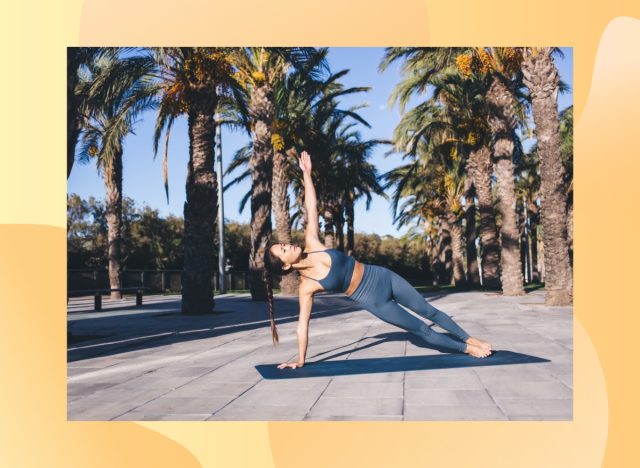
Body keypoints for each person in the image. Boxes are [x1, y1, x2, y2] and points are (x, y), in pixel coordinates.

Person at [263, 150, 492, 370]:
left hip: (381, 276)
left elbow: (311, 207)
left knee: (428, 311)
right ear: (286, 265)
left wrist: (306, 173)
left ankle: (470, 339)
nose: (288, 245)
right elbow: (303, 324)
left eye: (283, 244)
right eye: (283, 250)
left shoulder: (312, 243)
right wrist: (300, 359)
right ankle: (466, 348)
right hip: (372, 300)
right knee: (422, 329)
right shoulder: (306, 287)